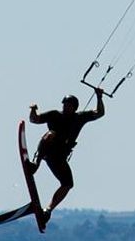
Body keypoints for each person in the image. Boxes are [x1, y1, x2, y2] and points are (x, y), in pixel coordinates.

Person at [28, 89, 105, 225]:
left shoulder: (79, 117)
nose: (66, 107)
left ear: (74, 108)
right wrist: (33, 110)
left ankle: (48, 210)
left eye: (69, 105)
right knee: (50, 134)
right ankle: (35, 164)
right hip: (47, 151)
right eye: (64, 105)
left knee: (68, 184)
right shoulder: (54, 115)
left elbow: (100, 113)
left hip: (59, 157)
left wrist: (99, 96)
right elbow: (34, 120)